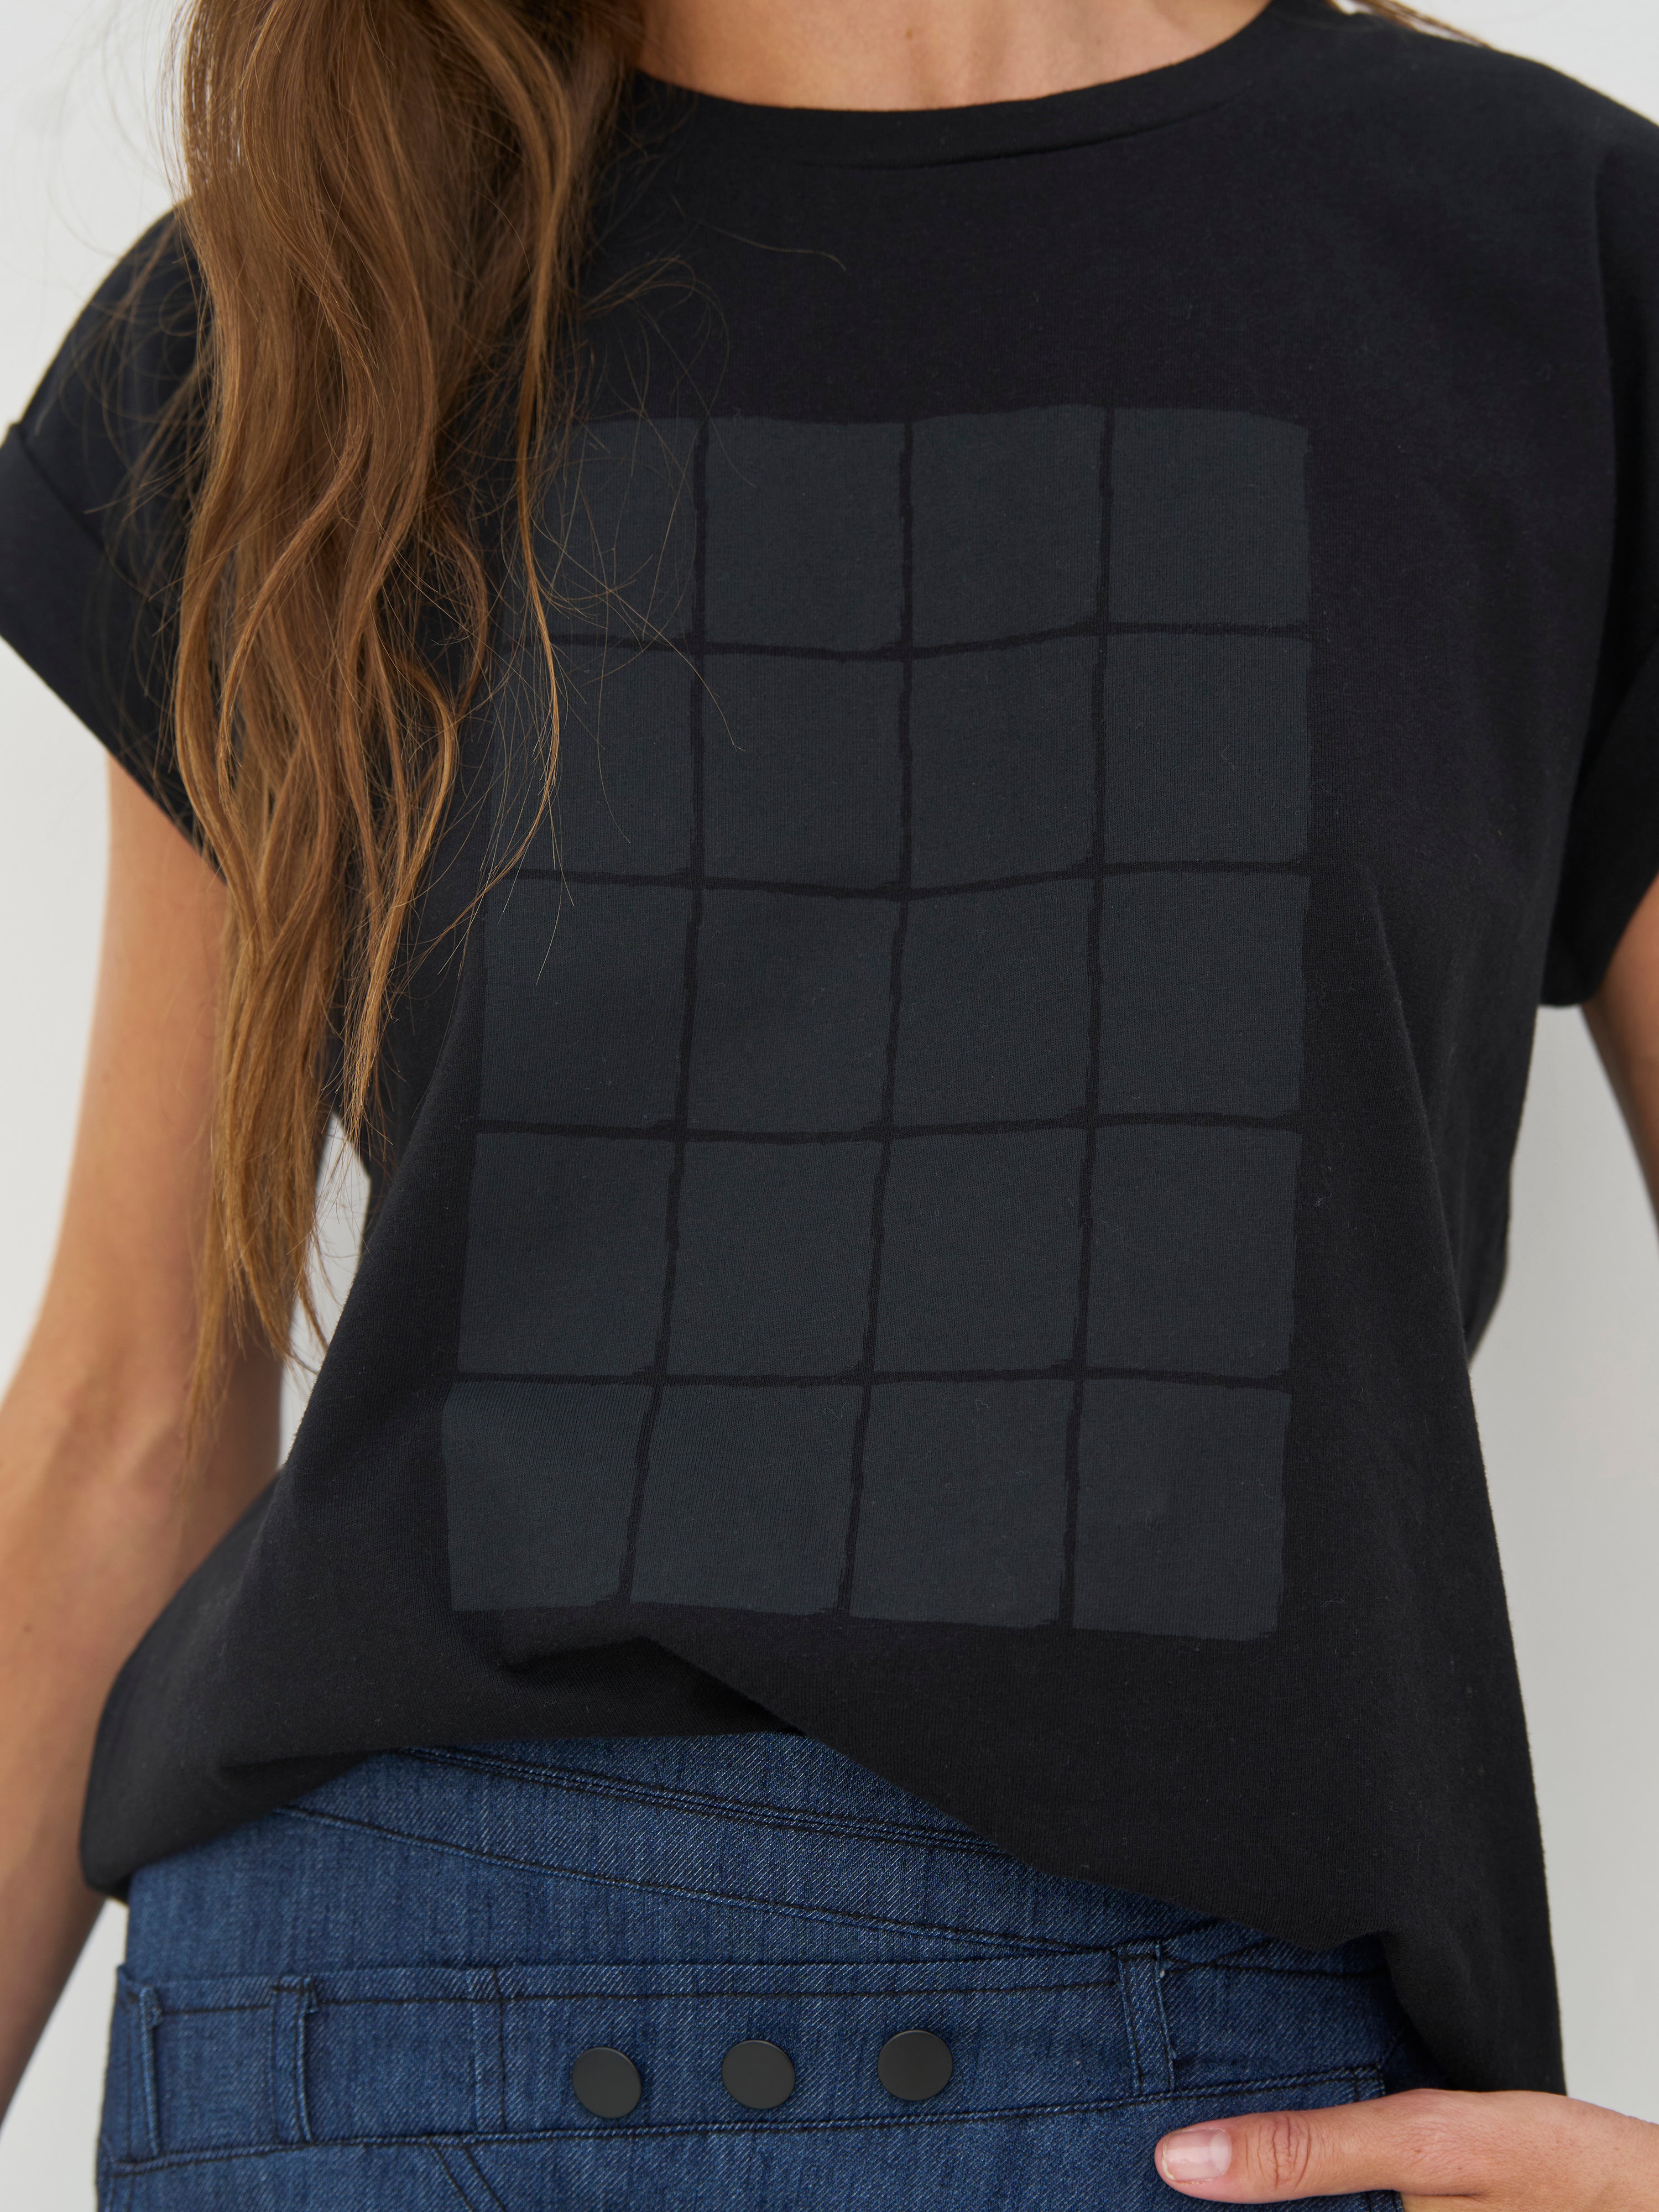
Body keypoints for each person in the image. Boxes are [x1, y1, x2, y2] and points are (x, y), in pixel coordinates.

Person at [2, 0, 1658, 2201]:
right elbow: (129, 1415)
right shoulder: (317, 275)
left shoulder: (1548, 265)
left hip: (1196, 2101)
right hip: (364, 2048)